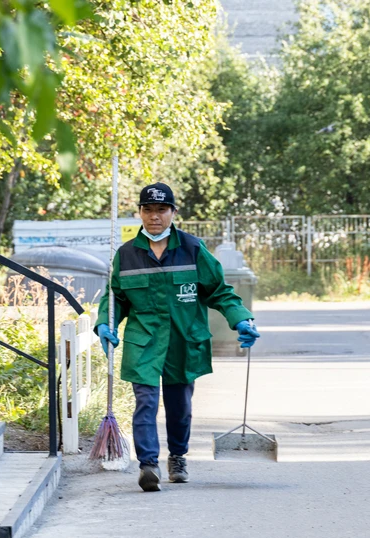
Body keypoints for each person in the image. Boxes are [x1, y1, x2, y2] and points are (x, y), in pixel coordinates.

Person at [95, 182, 260, 492]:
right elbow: (114, 297)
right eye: (148, 210)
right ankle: (148, 465)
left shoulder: (192, 248)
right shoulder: (127, 255)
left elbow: (220, 292)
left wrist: (241, 320)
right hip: (143, 341)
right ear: (139, 213)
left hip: (184, 340)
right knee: (145, 400)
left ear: (172, 212)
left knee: (179, 405)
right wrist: (106, 323)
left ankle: (178, 457)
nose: (154, 216)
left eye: (161, 210)